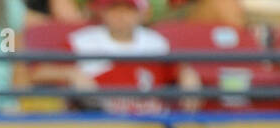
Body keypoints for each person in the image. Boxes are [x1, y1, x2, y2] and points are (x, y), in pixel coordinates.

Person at [31, 0, 200, 115]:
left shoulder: (156, 42)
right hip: (100, 125)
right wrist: (71, 74)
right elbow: (37, 73)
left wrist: (189, 76)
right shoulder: (82, 41)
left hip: (150, 125)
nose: (121, 16)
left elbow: (182, 71)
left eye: (127, 9)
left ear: (141, 13)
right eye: (114, 9)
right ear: (103, 11)